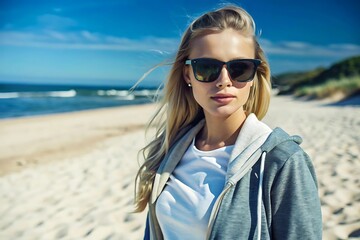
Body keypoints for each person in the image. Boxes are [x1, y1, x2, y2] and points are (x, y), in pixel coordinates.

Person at [134, 5, 322, 240]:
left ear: (255, 75)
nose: (224, 81)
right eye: (207, 68)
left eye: (239, 68)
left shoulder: (282, 161)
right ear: (187, 74)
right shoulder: (172, 148)